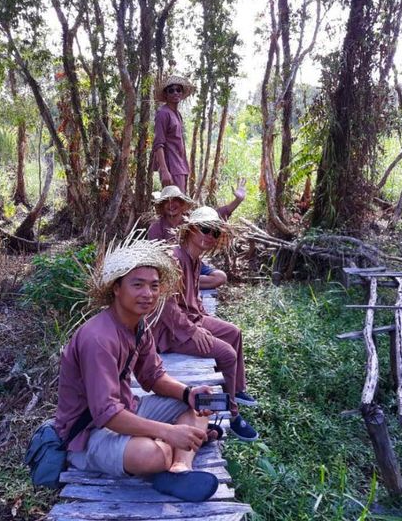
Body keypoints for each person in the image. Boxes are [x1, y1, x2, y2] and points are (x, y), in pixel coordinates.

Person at [54, 232, 220, 502]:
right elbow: (106, 415)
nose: (148, 294)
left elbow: (153, 377)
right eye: (138, 285)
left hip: (128, 408)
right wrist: (167, 432)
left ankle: (180, 468)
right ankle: (171, 451)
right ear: (116, 288)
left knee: (201, 402)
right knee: (153, 454)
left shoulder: (139, 325)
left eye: (154, 286)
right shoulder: (98, 338)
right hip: (88, 434)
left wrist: (189, 393)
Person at [154, 207, 259, 442]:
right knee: (227, 354)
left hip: (192, 317)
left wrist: (200, 320)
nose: (210, 236)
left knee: (234, 332)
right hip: (172, 331)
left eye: (214, 232)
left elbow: (191, 299)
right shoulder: (174, 259)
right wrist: (192, 330)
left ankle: (237, 389)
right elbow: (166, 306)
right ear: (191, 230)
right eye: (205, 229)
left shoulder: (194, 260)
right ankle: (232, 414)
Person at [147, 179, 248, 289]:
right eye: (167, 201)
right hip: (170, 267)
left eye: (175, 200)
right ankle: (184, 282)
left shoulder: (192, 219)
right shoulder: (157, 226)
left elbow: (218, 215)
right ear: (162, 206)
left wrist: (238, 200)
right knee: (167, 277)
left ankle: (187, 281)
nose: (171, 205)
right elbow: (155, 254)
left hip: (193, 264)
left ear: (182, 204)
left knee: (220, 277)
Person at [153, 74, 195, 193]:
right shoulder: (163, 114)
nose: (175, 93)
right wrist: (165, 171)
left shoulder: (177, 114)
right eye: (171, 90)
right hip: (172, 168)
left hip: (181, 167)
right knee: (173, 206)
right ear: (166, 94)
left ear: (182, 93)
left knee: (181, 206)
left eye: (178, 90)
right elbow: (158, 144)